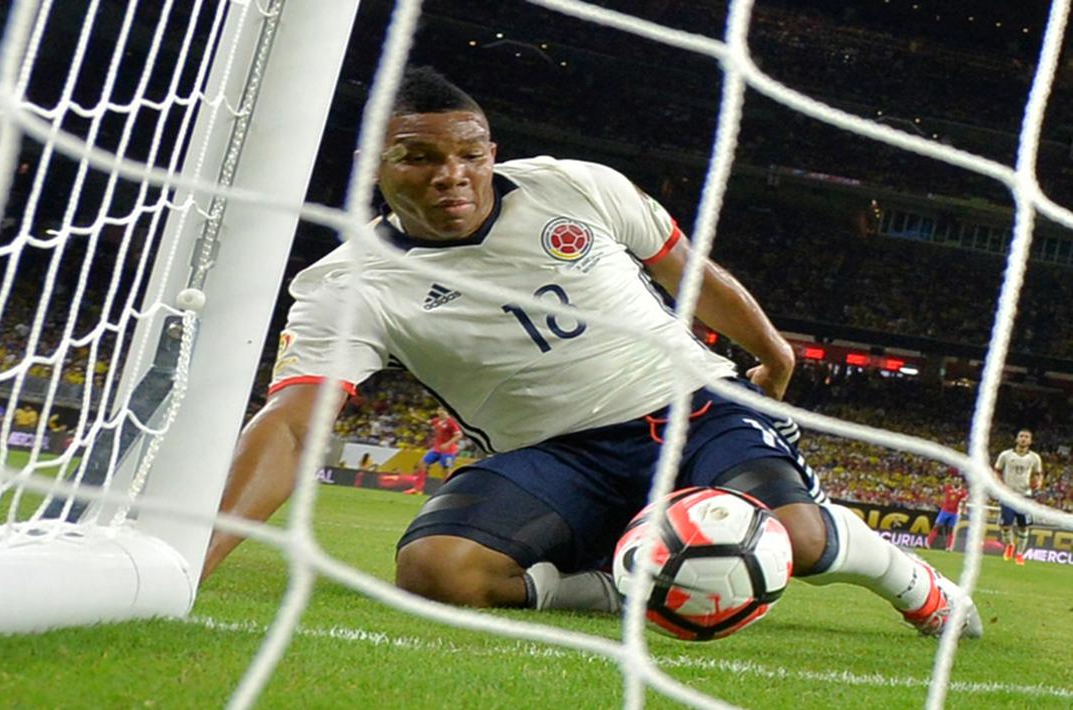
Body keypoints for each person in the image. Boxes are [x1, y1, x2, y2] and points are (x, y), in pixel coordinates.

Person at [202, 66, 981, 638]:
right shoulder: (347, 282)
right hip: (551, 457)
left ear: (489, 148)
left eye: (468, 154)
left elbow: (685, 269)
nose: (452, 176)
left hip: (694, 409)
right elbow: (296, 425)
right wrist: (194, 556)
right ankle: (615, 588)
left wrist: (770, 349)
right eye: (419, 158)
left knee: (797, 539)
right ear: (374, 164)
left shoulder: (573, 188)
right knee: (439, 572)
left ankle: (910, 579)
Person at [994, 429, 1043, 566]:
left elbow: (1038, 473)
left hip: (1025, 496)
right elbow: (997, 471)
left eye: (1027, 437)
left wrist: (1038, 482)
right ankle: (1010, 545)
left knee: (1023, 526)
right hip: (1008, 495)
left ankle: (1020, 554)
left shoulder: (1034, 458)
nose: (1023, 439)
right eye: (1021, 436)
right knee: (1005, 525)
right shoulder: (1005, 455)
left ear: (1030, 441)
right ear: (1016, 439)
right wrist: (998, 484)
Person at [406, 407, 463, 494]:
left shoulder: (451, 422)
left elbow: (459, 435)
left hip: (448, 450)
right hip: (437, 449)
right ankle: (418, 489)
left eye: (442, 410)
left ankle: (446, 491)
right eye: (439, 410)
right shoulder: (437, 420)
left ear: (447, 412)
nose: (440, 412)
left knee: (446, 469)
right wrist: (416, 416)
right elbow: (427, 422)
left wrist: (448, 444)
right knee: (422, 463)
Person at [927, 468, 966, 552]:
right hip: (944, 511)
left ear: (960, 482)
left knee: (950, 529)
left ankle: (948, 547)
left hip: (954, 513)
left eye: (958, 481)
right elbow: (938, 489)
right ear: (953, 481)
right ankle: (928, 543)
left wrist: (962, 510)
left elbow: (964, 502)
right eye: (955, 480)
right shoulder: (948, 487)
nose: (956, 482)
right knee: (937, 526)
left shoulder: (962, 492)